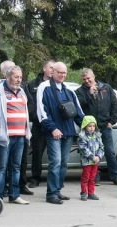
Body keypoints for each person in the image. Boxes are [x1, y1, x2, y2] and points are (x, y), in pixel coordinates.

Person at [36, 61, 84, 205]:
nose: (62, 75)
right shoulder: (44, 88)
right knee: (55, 162)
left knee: (63, 163)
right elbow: (42, 112)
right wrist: (52, 128)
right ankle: (51, 194)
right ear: (53, 72)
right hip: (53, 133)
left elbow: (78, 111)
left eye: (64, 72)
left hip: (68, 132)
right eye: (59, 72)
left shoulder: (69, 89)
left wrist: (87, 126)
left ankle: (57, 190)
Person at [0, 64, 32, 204]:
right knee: (1, 167)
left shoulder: (22, 91)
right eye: (16, 77)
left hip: (20, 136)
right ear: (7, 76)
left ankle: (14, 195)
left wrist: (26, 132)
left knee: (16, 167)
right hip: (4, 137)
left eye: (20, 77)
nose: (19, 80)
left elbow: (25, 112)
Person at [75, 68, 117, 185]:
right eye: (84, 79)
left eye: (88, 78)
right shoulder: (79, 92)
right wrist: (89, 94)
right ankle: (94, 177)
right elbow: (78, 106)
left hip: (104, 125)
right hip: (89, 129)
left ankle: (115, 176)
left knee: (110, 152)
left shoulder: (106, 88)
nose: (86, 81)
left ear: (94, 77)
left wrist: (112, 121)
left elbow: (114, 105)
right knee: (91, 152)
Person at [27, 60, 55, 188]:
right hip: (38, 125)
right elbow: (29, 103)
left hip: (53, 126)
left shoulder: (56, 84)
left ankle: (54, 180)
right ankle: (35, 178)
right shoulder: (32, 84)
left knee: (54, 154)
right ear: (44, 69)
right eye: (51, 67)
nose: (52, 70)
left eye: (54, 68)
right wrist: (36, 117)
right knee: (37, 153)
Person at [78, 115, 104, 201]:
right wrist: (92, 157)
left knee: (92, 177)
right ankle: (84, 193)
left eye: (93, 126)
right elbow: (83, 148)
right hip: (87, 161)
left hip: (95, 161)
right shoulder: (82, 137)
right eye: (89, 126)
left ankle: (91, 193)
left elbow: (101, 147)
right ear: (85, 126)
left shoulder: (97, 136)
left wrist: (98, 156)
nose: (92, 128)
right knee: (86, 177)